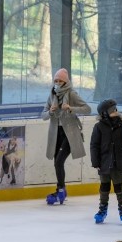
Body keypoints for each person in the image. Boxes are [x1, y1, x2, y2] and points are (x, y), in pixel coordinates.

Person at [41, 68, 91, 205]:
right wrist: (50, 112)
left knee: (58, 162)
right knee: (56, 162)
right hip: (56, 133)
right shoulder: (52, 95)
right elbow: (43, 115)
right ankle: (61, 189)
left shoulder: (72, 94)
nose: (57, 83)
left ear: (66, 82)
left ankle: (61, 190)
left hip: (69, 134)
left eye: (60, 81)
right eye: (55, 80)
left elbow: (87, 109)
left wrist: (70, 108)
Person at [90, 99, 122, 224]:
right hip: (104, 162)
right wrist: (95, 162)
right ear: (104, 113)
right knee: (104, 187)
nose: (115, 111)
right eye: (112, 110)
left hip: (118, 162)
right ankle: (102, 209)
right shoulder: (99, 127)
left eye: (115, 108)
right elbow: (94, 145)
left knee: (119, 187)